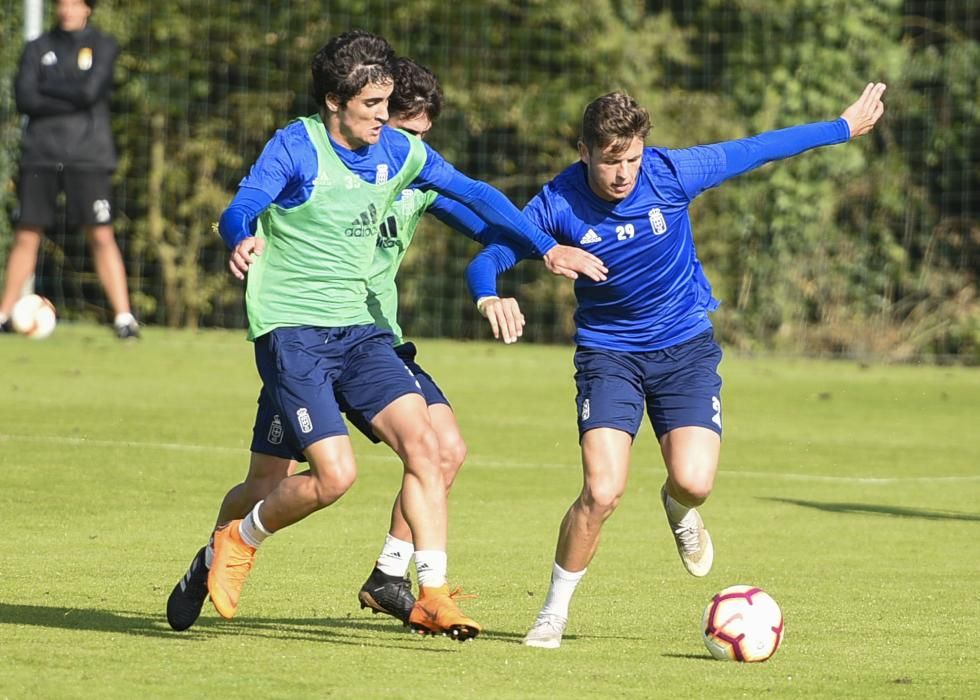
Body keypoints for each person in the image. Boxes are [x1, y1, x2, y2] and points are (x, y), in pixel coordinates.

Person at [166, 31, 605, 641]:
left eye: (385, 103)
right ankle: (227, 547)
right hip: (292, 336)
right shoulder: (297, 146)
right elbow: (244, 204)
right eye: (372, 106)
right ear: (334, 102)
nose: (382, 117)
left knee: (430, 447)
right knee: (318, 479)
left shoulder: (400, 154)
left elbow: (475, 195)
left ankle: (428, 593)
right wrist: (237, 237)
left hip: (362, 334)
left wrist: (545, 246)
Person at [465, 83, 887, 648]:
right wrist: (489, 295)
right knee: (603, 491)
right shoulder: (556, 203)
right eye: (611, 161)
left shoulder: (672, 172)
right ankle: (552, 613)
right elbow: (491, 254)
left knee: (693, 481)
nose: (623, 174)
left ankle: (677, 507)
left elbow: (758, 147)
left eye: (632, 158)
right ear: (585, 151)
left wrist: (841, 127)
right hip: (608, 356)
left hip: (684, 349)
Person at [0, 0, 139, 339]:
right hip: (41, 155)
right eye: (62, 3)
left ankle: (124, 318)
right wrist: (73, 91)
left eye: (74, 3)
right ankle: (4, 314)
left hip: (88, 155)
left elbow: (91, 93)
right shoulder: (38, 47)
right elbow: (24, 98)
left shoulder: (103, 45)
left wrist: (49, 88)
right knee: (27, 233)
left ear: (87, 8)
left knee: (101, 233)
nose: (66, 9)